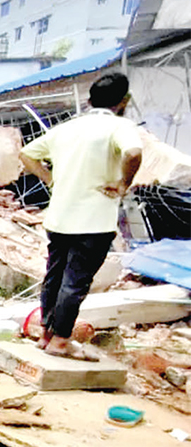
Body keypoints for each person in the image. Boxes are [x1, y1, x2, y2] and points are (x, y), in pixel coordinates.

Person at [19, 72, 143, 362]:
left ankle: (45, 335)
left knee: (54, 277)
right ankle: (61, 341)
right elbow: (134, 152)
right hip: (94, 221)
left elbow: (27, 153)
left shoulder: (66, 129)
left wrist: (49, 178)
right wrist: (124, 183)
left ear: (89, 101)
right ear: (124, 101)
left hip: (60, 216)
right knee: (75, 282)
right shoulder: (119, 126)